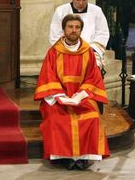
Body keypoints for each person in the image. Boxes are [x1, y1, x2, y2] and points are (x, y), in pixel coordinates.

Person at [35, 14, 110, 170]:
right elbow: (48, 77)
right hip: (58, 98)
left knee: (92, 117)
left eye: (77, 27)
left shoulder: (88, 52)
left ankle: (82, 157)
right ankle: (64, 157)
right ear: (64, 29)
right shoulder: (54, 52)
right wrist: (61, 96)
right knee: (56, 118)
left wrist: (80, 95)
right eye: (70, 27)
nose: (73, 30)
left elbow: (92, 78)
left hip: (82, 97)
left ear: (81, 30)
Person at [49, 0, 109, 68]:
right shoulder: (61, 11)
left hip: (90, 50)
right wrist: (69, 49)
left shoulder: (96, 11)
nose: (81, 3)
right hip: (66, 50)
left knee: (92, 67)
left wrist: (89, 50)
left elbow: (102, 33)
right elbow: (55, 35)